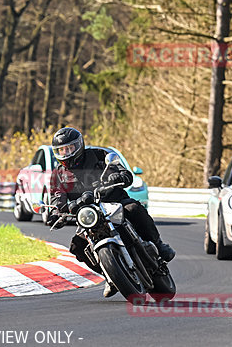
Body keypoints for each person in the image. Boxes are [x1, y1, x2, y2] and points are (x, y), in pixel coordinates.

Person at [47, 126, 175, 298]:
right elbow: (57, 197)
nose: (66, 152)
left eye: (70, 148)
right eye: (62, 150)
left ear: (79, 145)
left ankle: (158, 244)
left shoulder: (99, 155)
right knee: (77, 246)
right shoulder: (58, 174)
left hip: (115, 201)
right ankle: (110, 276)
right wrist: (55, 213)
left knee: (134, 208)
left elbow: (122, 171)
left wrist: (119, 175)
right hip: (88, 214)